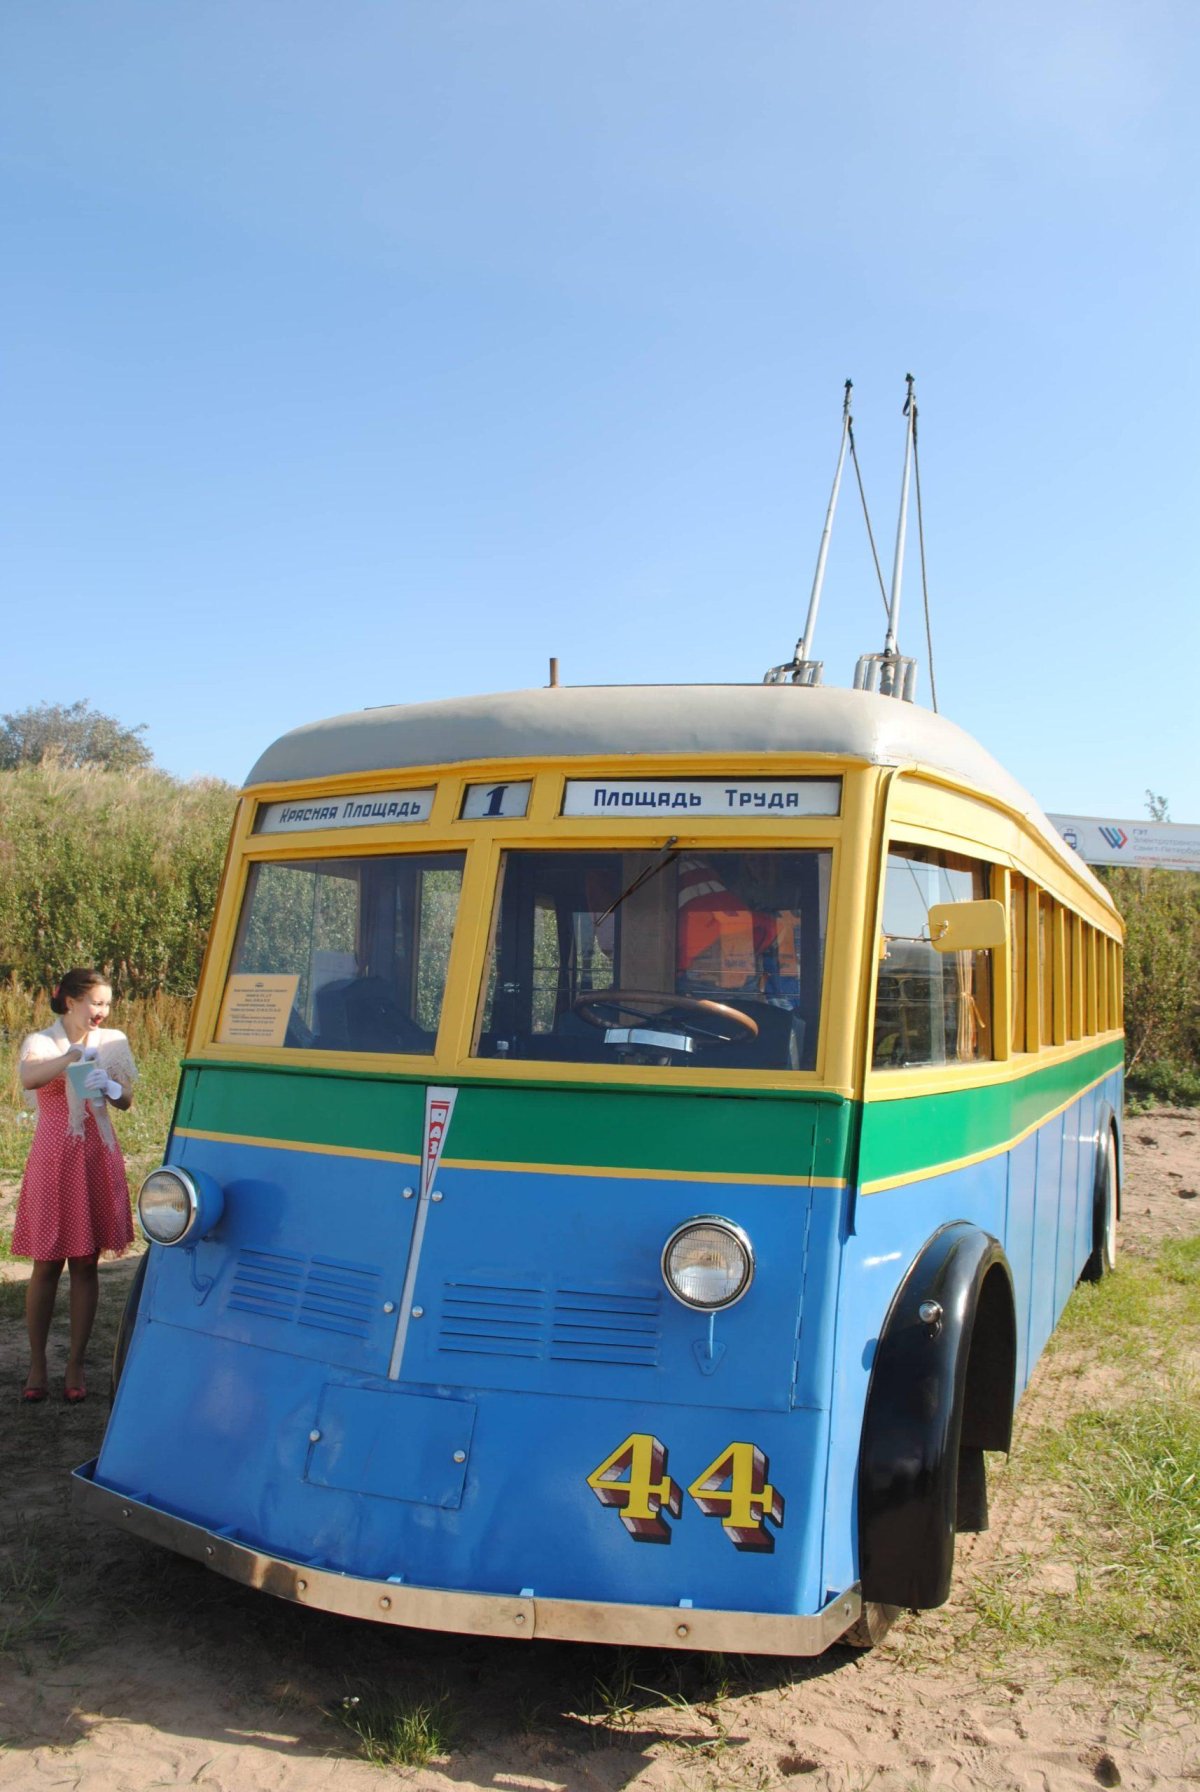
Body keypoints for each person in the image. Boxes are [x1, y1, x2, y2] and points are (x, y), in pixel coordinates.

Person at [13, 968, 137, 1404]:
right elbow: (29, 1078)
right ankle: (37, 1363)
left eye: (107, 1004)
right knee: (46, 1262)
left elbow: (126, 1100)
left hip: (97, 1156)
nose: (102, 1011)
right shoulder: (42, 1041)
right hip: (52, 1159)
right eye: (95, 1003)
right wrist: (71, 1058)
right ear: (70, 1001)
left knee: (86, 1262)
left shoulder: (114, 1041)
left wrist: (112, 1085)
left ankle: (76, 1363)